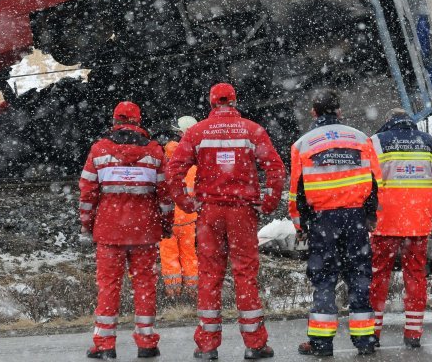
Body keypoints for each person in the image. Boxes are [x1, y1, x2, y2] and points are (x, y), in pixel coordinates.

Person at [167, 83, 286, 360]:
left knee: (209, 275)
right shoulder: (252, 130)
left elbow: (174, 171)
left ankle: (207, 346)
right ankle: (255, 344)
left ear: (211, 103)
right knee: (245, 274)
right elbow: (275, 168)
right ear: (234, 101)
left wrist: (187, 203)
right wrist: (267, 203)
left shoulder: (197, 132)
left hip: (210, 213)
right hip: (242, 212)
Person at [289, 89, 381, 357]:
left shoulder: (303, 144)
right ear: (339, 111)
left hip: (323, 221)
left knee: (324, 280)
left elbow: (297, 192)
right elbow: (374, 182)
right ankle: (365, 341)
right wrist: (369, 215)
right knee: (359, 278)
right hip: (355, 218)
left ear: (314, 113)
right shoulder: (361, 139)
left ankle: (321, 344)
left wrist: (300, 226)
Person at [79, 101, 174, 360]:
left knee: (109, 286)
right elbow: (165, 196)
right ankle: (146, 342)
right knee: (145, 285)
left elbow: (87, 194)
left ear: (115, 120)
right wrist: (166, 226)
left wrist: (88, 224)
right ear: (138, 121)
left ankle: (105, 344)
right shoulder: (154, 152)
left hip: (109, 232)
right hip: (144, 231)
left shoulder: (99, 150)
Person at [368, 108, 432, 349]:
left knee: (378, 277)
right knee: (415, 276)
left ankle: (373, 334)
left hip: (385, 223)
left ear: (388, 122)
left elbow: (368, 177)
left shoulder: (376, 142)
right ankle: (413, 334)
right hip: (418, 222)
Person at [160, 116, 199, 299]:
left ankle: (173, 293)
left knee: (169, 257)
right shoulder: (195, 166)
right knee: (190, 255)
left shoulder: (164, 166)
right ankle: (192, 291)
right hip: (189, 219)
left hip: (168, 219)